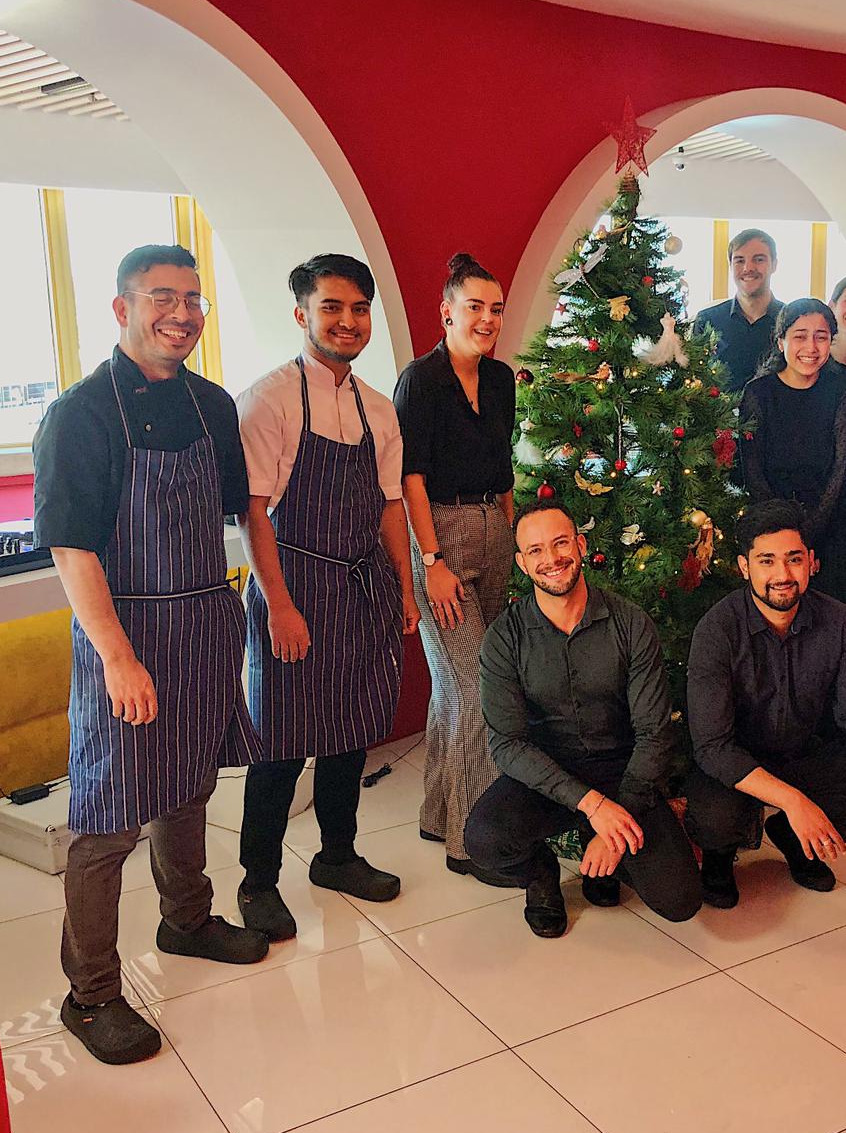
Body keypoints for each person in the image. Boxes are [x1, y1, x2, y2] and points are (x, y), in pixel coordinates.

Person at [33, 244, 269, 1066]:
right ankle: (91, 992)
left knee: (189, 787)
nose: (182, 313)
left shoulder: (211, 404)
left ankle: (187, 919)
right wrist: (117, 657)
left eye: (193, 299)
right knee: (108, 819)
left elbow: (241, 512)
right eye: (163, 296)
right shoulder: (80, 414)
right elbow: (72, 549)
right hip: (126, 636)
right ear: (122, 308)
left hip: (203, 624)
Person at [233, 254, 420, 941]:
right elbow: (253, 513)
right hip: (294, 587)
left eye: (359, 309)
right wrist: (280, 606)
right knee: (280, 745)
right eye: (332, 307)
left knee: (351, 733)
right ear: (302, 314)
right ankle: (257, 882)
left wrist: (404, 588)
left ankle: (337, 856)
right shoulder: (268, 400)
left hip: (364, 586)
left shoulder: (378, 407)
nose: (347, 321)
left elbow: (392, 507)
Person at [466, 500, 704, 937]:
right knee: (483, 839)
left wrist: (615, 823)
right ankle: (541, 875)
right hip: (547, 774)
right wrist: (591, 806)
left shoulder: (631, 624)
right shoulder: (503, 637)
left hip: (624, 774)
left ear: (580, 545)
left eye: (560, 543)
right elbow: (507, 744)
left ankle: (605, 859)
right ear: (522, 563)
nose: (551, 558)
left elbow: (654, 733)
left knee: (680, 900)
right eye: (535, 550)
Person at [682, 500, 846, 907]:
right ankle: (720, 858)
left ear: (811, 562)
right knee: (715, 819)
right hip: (735, 763)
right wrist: (795, 802)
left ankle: (793, 838)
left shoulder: (840, 622)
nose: (782, 575)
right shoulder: (717, 629)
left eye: (794, 559)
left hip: (802, 754)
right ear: (744, 567)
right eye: (767, 561)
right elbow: (713, 747)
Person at [393, 253, 516, 884]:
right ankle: (474, 843)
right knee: (475, 690)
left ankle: (438, 813)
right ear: (447, 312)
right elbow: (410, 479)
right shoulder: (420, 381)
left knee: (454, 690)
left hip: (494, 533)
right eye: (475, 307)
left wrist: (512, 539)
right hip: (440, 536)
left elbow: (504, 470)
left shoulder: (501, 380)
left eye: (496, 309)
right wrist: (432, 561)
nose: (487, 319)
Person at [738, 297, 846, 610]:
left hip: (830, 522)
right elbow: (752, 470)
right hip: (770, 523)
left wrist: (810, 535)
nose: (811, 346)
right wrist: (788, 535)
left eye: (821, 337)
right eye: (800, 336)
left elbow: (842, 468)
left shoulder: (842, 391)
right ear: (781, 342)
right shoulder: (758, 392)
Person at [693, 228, 785, 392]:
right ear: (730, 266)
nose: (748, 268)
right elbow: (694, 381)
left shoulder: (793, 320)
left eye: (759, 259)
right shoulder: (706, 321)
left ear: (774, 265)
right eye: (739, 260)